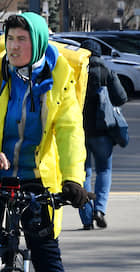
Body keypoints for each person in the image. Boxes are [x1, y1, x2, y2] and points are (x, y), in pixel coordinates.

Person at [0, 13, 89, 272]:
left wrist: (73, 179)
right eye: (10, 38)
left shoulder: (61, 77)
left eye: (22, 39)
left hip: (36, 180)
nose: (13, 45)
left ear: (37, 42)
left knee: (47, 259)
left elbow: (70, 131)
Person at [79, 39, 128, 230]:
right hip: (103, 132)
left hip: (79, 132)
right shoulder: (106, 71)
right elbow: (121, 98)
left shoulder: (74, 71)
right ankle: (99, 209)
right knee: (104, 171)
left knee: (83, 173)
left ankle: (86, 216)